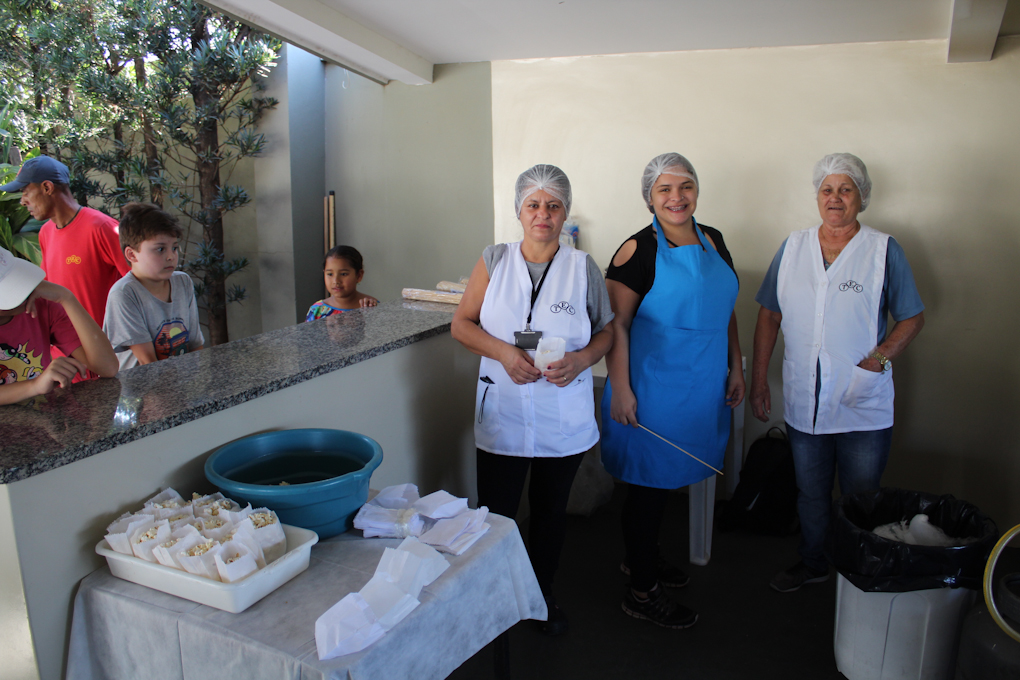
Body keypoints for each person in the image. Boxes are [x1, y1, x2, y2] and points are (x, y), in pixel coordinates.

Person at [749, 152, 925, 593]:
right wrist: (758, 380)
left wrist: (879, 359)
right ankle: (814, 563)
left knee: (861, 497)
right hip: (805, 397)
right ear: (817, 196)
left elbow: (912, 317)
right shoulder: (793, 248)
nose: (835, 198)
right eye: (827, 189)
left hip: (861, 400)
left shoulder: (883, 250)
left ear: (861, 197)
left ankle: (856, 576)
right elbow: (769, 315)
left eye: (846, 190)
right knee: (810, 492)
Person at [451, 164, 614, 636]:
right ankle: (494, 598)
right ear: (519, 211)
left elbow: (607, 332)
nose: (543, 214)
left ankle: (541, 596)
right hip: (503, 408)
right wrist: (504, 352)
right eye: (533, 205)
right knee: (496, 512)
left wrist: (582, 360)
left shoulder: (582, 268)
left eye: (553, 205)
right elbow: (462, 324)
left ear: (565, 213)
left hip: (560, 412)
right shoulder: (494, 259)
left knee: (549, 512)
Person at [601, 152, 744, 629]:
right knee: (648, 486)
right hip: (652, 387)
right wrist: (621, 388)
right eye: (664, 189)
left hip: (700, 384)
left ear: (696, 191)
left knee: (665, 484)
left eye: (685, 187)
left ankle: (642, 557)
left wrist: (736, 366)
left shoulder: (713, 239)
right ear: (649, 198)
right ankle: (641, 591)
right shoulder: (636, 250)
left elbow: (726, 308)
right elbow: (616, 325)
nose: (676, 197)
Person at [0, 155, 130, 327]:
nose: (23, 201)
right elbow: (48, 290)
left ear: (47, 187)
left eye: (25, 192)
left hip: (105, 341)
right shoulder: (45, 232)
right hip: (64, 341)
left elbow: (140, 284)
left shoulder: (102, 227)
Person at [0, 246, 119, 405]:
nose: (22, 293)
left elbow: (107, 367)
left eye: (17, 280)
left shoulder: (41, 306)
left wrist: (66, 298)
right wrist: (35, 386)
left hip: (43, 416)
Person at [103, 203, 204, 370]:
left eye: (174, 248)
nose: (171, 256)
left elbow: (195, 345)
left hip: (178, 380)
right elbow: (147, 362)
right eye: (160, 249)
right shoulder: (124, 294)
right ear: (131, 254)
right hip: (140, 384)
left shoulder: (183, 282)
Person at [305, 245, 378, 321]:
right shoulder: (317, 310)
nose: (336, 281)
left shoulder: (371, 306)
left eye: (343, 274)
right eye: (330, 274)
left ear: (359, 275)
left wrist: (369, 313)